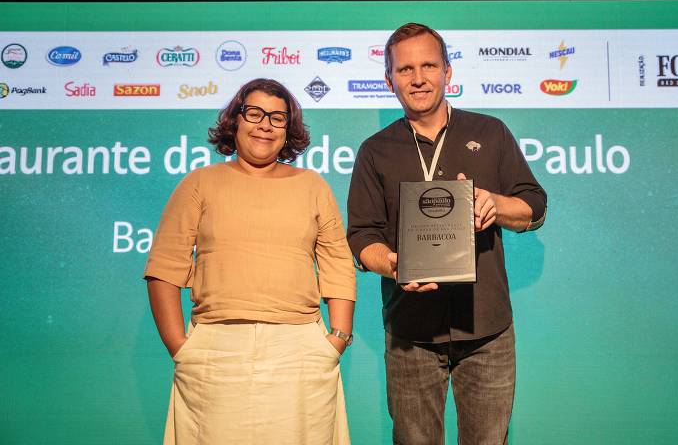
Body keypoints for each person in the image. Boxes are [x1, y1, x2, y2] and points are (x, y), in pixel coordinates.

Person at [347, 23, 547, 444]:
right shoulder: (374, 150)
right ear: (389, 80)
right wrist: (394, 264)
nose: (418, 78)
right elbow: (362, 236)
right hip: (410, 331)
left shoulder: (489, 133)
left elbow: (535, 204)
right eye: (405, 70)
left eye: (428, 65)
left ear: (448, 72)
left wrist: (496, 203)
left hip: (487, 327)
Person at [144, 78, 356, 445]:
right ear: (235, 120)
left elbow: (338, 263)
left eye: (277, 118)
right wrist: (180, 347)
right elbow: (164, 267)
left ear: (288, 130)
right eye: (254, 113)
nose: (265, 125)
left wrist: (336, 339)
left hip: (300, 352)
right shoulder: (199, 183)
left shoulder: (313, 186)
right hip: (216, 351)